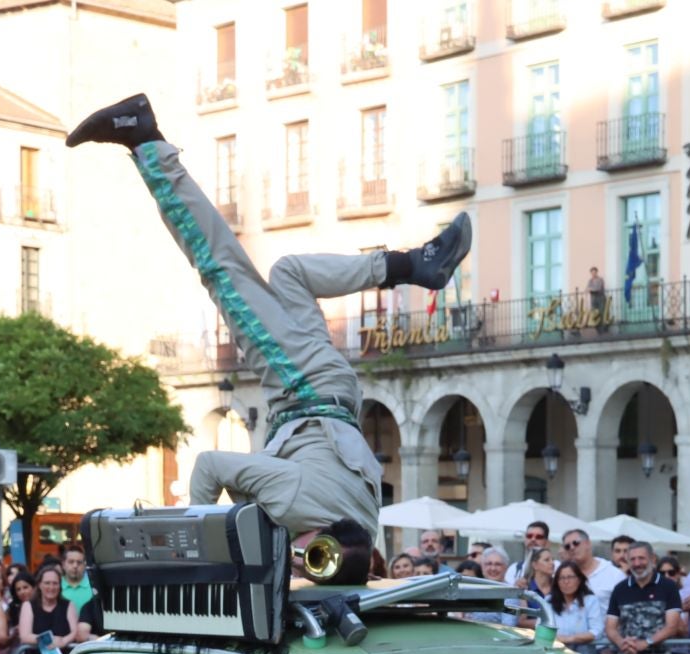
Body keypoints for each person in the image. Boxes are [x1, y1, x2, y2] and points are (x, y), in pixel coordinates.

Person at [73, 94, 468, 540]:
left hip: (329, 397)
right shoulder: (294, 503)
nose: (297, 556)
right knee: (220, 268)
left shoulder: (363, 526)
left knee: (289, 273)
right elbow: (207, 466)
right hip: (303, 389)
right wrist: (198, 556)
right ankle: (144, 137)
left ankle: (409, 266)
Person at [544, 562, 605, 654]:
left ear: (579, 579)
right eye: (561, 578)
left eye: (570, 577)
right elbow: (541, 628)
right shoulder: (548, 601)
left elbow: (596, 631)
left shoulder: (590, 600)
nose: (566, 581)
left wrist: (569, 639)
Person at [558, 529, 626, 608]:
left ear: (588, 544)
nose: (572, 548)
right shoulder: (563, 576)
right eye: (567, 546)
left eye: (576, 543)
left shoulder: (614, 574)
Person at [58, 543, 96, 614]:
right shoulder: (56, 586)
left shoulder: (93, 586)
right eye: (71, 562)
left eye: (79, 562)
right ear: (63, 564)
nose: (75, 566)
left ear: (85, 565)